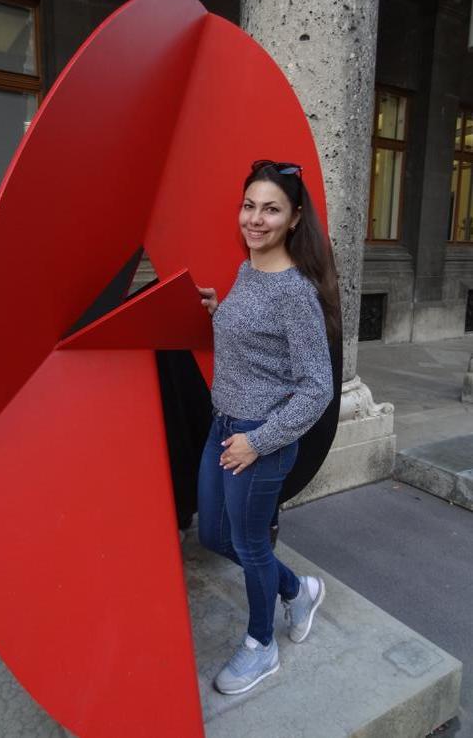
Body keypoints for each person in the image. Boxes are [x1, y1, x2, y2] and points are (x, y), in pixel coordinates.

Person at [196, 159, 340, 696]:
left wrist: (256, 442)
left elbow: (317, 389)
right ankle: (298, 590)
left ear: (295, 217)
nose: (255, 219)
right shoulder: (248, 270)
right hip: (223, 426)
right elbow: (259, 347)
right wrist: (221, 313)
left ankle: (262, 646)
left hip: (259, 438)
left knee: (251, 544)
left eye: (271, 209)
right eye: (249, 206)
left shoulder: (296, 293)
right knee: (214, 535)